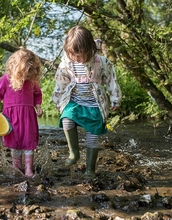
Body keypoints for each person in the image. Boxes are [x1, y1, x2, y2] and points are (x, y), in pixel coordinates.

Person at [52, 25, 122, 178]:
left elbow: (111, 80)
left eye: (80, 55)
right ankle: (74, 153)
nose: (76, 58)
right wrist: (57, 101)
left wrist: (115, 98)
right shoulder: (67, 63)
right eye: (73, 54)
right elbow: (61, 82)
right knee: (67, 120)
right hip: (74, 101)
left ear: (90, 49)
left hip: (95, 104)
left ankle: (90, 169)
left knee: (92, 137)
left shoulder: (101, 62)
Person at [0, 48, 43, 178]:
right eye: (26, 73)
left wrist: (38, 106)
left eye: (31, 73)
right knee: (14, 142)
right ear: (17, 67)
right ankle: (17, 168)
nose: (28, 76)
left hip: (28, 117)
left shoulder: (32, 81)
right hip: (11, 117)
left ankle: (29, 170)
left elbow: (37, 95)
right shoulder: (6, 79)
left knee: (29, 142)